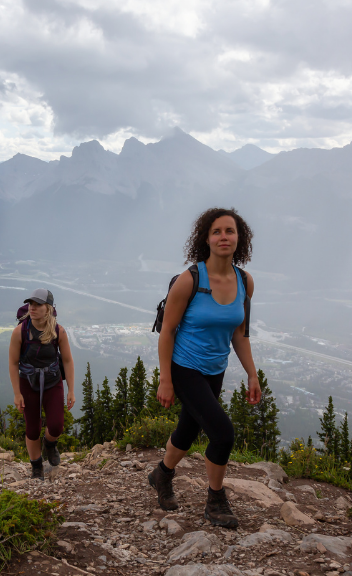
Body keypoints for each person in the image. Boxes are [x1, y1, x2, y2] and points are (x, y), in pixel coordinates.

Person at [149, 207, 261, 528]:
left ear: (240, 238)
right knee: (223, 434)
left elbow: (239, 332)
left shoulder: (245, 282)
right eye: (217, 231)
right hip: (184, 367)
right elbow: (167, 331)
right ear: (206, 238)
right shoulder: (190, 281)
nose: (224, 236)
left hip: (215, 369)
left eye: (230, 231)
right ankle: (215, 501)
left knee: (189, 429)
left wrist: (252, 373)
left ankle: (162, 474)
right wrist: (166, 379)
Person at [9, 288, 76, 480]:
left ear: (48, 308)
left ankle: (50, 443)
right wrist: (17, 393)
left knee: (56, 426)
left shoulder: (58, 331)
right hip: (28, 383)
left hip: (52, 382)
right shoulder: (20, 332)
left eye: (38, 305)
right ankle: (36, 466)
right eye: (31, 304)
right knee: (32, 428)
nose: (33, 308)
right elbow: (13, 364)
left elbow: (68, 361)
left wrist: (71, 390)